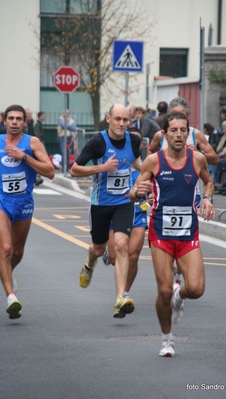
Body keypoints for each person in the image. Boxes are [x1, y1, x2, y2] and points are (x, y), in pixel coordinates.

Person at [129, 111, 215, 357]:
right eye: (173, 130)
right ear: (164, 134)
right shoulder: (154, 161)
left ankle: (181, 294)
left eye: (183, 130)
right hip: (160, 233)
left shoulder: (197, 159)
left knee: (196, 289)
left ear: (188, 133)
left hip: (188, 233)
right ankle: (167, 340)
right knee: (164, 290)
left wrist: (207, 199)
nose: (178, 134)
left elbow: (208, 182)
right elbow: (133, 193)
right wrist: (139, 191)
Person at [70, 104, 143, 318]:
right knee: (99, 249)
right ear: (108, 118)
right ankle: (90, 261)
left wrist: (152, 171)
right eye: (117, 119)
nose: (121, 124)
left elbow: (137, 162)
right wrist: (101, 167)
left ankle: (120, 298)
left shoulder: (134, 141)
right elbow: (74, 169)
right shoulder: (98, 142)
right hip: (100, 204)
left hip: (124, 202)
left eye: (125, 120)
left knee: (121, 246)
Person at [0, 104, 55, 319]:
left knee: (17, 251)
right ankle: (11, 296)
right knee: (5, 248)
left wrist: (23, 156)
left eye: (18, 119)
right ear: (4, 121)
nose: (14, 122)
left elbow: (50, 172)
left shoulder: (32, 142)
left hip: (23, 202)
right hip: (2, 201)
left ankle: (6, 274)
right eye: (10, 118)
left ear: (25, 122)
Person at [102, 126, 149, 301]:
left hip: (137, 213)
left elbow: (155, 185)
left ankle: (125, 293)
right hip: (116, 212)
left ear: (141, 144)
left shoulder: (146, 166)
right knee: (116, 258)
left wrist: (151, 196)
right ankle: (109, 252)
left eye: (137, 141)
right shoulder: (117, 161)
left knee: (133, 255)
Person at [148, 97, 219, 167]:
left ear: (188, 117)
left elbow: (215, 160)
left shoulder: (195, 134)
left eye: (182, 116)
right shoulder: (161, 135)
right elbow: (150, 150)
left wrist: (198, 153)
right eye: (174, 115)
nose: (178, 119)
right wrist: (153, 168)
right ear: (168, 116)